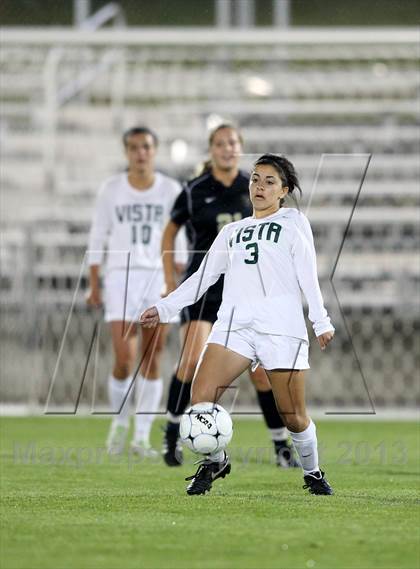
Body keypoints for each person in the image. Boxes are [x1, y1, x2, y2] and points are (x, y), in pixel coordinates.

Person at [141, 153, 335, 496]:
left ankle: (313, 472)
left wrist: (320, 320)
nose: (259, 186)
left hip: (281, 328)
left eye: (269, 181)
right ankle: (215, 461)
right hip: (235, 326)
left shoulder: (293, 222)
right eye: (255, 179)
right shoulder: (233, 231)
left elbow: (309, 274)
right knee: (200, 399)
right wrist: (164, 307)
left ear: (284, 190)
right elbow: (202, 278)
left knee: (293, 417)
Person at [160, 124, 299, 469]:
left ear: (240, 148)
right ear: (211, 149)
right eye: (220, 143)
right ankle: (173, 434)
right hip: (205, 287)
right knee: (192, 360)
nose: (227, 148)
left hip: (244, 293)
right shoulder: (194, 190)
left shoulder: (251, 186)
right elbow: (170, 232)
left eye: (232, 143)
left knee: (261, 372)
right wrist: (168, 282)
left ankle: (281, 445)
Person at [87, 126, 185, 456]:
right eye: (134, 147)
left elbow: (179, 236)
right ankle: (120, 420)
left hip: (158, 275)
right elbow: (98, 235)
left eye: (146, 146)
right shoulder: (111, 190)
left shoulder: (171, 189)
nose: (140, 152)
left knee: (151, 356)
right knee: (123, 355)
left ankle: (141, 436)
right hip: (120, 278)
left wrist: (176, 278)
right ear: (126, 151)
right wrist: (94, 281)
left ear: (154, 151)